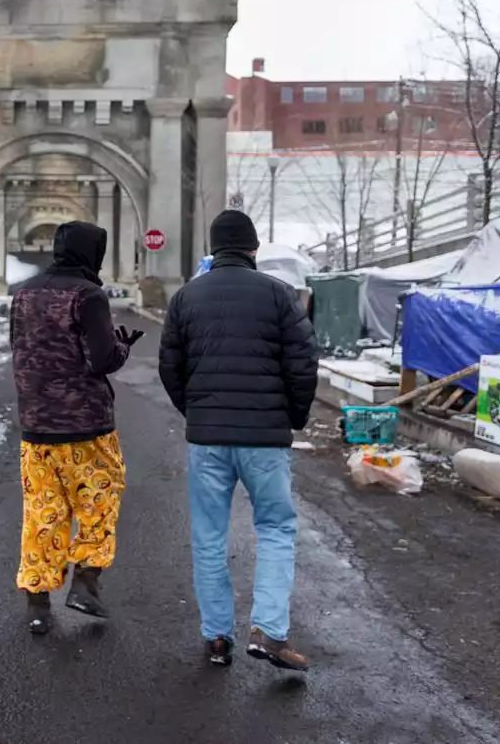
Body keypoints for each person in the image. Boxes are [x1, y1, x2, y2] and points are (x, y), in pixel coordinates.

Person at [158, 210, 318, 671]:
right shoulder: (279, 295)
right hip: (265, 440)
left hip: (207, 438)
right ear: (253, 249)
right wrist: (292, 418)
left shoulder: (186, 297)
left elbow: (171, 367)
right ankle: (268, 631)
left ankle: (216, 639)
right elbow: (304, 363)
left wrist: (198, 413)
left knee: (208, 536)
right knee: (275, 530)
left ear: (214, 249)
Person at [9, 221, 144, 634]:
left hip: (36, 426)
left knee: (42, 512)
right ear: (93, 253)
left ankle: (37, 603)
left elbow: (21, 349)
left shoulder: (23, 292)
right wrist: (123, 347)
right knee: (97, 503)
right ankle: (85, 583)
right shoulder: (88, 294)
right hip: (88, 427)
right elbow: (102, 360)